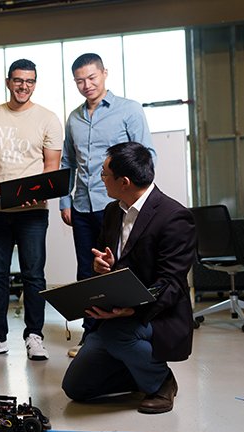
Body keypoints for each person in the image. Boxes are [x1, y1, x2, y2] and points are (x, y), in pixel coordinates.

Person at [61, 141, 196, 414]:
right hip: (118, 312)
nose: (100, 180)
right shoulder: (113, 211)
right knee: (76, 388)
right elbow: (107, 257)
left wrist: (132, 308)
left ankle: (161, 382)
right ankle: (138, 370)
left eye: (104, 175)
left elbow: (170, 284)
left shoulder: (174, 217)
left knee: (117, 332)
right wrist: (103, 265)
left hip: (158, 313)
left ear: (124, 181)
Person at [60, 53, 156, 357]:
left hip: (116, 205)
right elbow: (68, 161)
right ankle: (91, 335)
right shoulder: (74, 118)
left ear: (104, 73)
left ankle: (125, 330)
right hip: (82, 206)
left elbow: (146, 157)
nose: (86, 85)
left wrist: (140, 202)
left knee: (119, 270)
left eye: (92, 77)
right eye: (79, 80)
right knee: (87, 272)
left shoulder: (129, 110)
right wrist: (65, 201)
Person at [0, 59, 62, 360]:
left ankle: (34, 336)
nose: (24, 86)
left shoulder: (48, 119)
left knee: (33, 275)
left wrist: (36, 194)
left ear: (35, 83)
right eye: (19, 80)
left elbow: (52, 168)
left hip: (33, 212)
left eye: (30, 81)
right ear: (8, 81)